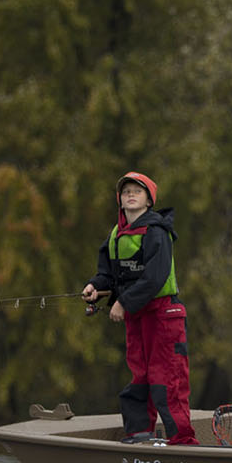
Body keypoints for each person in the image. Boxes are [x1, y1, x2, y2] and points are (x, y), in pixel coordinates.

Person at [82, 172, 199, 445]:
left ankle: (183, 443)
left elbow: (154, 278)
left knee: (167, 380)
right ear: (120, 201)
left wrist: (123, 302)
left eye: (137, 191)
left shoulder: (157, 231)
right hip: (137, 317)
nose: (130, 195)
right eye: (125, 192)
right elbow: (108, 274)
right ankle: (138, 435)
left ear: (149, 200)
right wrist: (95, 287)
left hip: (164, 316)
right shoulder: (115, 235)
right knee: (140, 377)